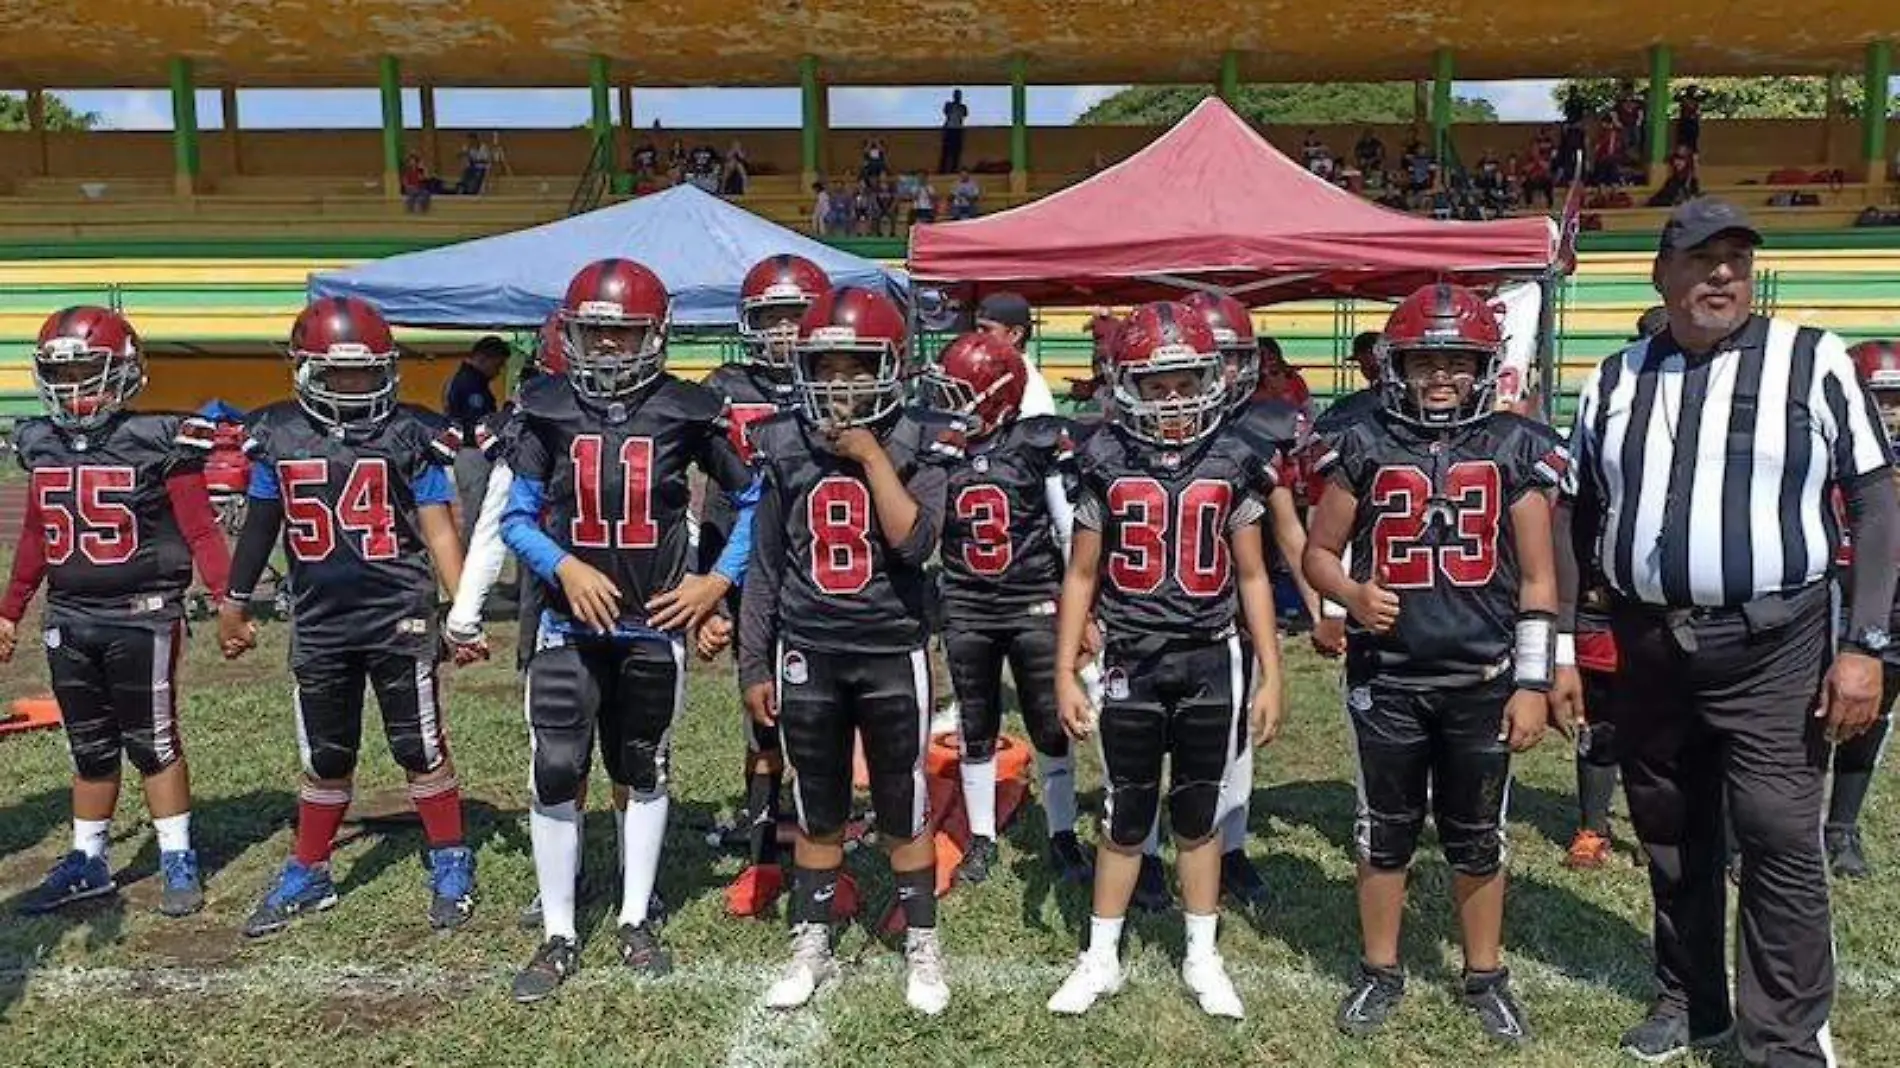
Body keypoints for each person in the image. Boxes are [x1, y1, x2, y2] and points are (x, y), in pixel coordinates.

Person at [1553, 197, 1898, 1066]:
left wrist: (1865, 644)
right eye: (1703, 260)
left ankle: (1782, 1038)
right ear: (1660, 275)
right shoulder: (1615, 377)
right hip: (1650, 644)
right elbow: (1575, 513)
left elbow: (1875, 501)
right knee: (1670, 831)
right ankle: (1692, 999)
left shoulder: (1812, 362)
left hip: (1774, 641)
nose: (1722, 276)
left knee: (1778, 831)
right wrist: (1560, 640)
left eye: (1737, 260)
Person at [1304, 283, 1561, 1047]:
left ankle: (1485, 975)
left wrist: (1535, 681)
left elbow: (1542, 580)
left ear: (1485, 367)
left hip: (1482, 679)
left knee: (1478, 834)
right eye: (1426, 363)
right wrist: (1349, 591)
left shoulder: (1515, 446)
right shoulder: (1363, 440)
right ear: (1397, 367)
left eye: (1457, 362)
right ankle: (1381, 969)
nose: (1441, 377)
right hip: (1387, 677)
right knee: (1383, 831)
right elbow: (1318, 552)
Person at [497, 259, 758, 1002]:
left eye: (622, 335)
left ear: (655, 336)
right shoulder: (545, 406)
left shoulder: (689, 408)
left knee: (641, 763)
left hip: (652, 622)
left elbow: (756, 497)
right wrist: (566, 566)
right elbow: (514, 518)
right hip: (564, 621)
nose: (607, 349)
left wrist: (715, 583)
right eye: (594, 334)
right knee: (556, 764)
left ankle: (636, 916)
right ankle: (559, 930)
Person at [1045, 302, 1284, 1020]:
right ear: (1129, 387)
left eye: (1186, 382)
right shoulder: (1104, 459)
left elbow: (1251, 576)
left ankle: (1202, 955)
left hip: (1211, 656)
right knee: (1124, 810)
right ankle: (1101, 956)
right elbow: (1081, 576)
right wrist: (1062, 668)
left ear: (1212, 380)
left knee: (1199, 809)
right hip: (1132, 656)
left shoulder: (1232, 458)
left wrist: (1271, 669)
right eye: (1159, 385)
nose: (1175, 399)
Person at [739, 287, 964, 1016]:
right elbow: (767, 566)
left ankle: (922, 943)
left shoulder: (920, 439)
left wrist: (869, 454)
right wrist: (752, 662)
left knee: (903, 802)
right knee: (819, 806)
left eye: (855, 367)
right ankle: (811, 938)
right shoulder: (782, 444)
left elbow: (915, 540)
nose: (838, 384)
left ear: (891, 367)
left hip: (891, 648)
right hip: (809, 650)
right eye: (824, 367)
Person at [219, 297, 474, 939]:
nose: (356, 385)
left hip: (398, 614)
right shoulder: (278, 433)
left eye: (367, 372)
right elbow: (260, 527)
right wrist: (235, 600)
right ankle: (310, 869)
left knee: (418, 744)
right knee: (327, 756)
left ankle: (450, 856)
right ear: (305, 369)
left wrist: (463, 609)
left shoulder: (411, 433)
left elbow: (439, 531)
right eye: (341, 374)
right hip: (320, 619)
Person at [1, 307, 230, 919]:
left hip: (143, 612)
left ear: (125, 374)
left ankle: (177, 853)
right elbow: (34, 536)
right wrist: (9, 610)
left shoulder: (159, 439)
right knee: (90, 746)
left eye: (89, 373)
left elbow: (201, 528)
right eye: (62, 373)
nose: (75, 388)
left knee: (153, 741)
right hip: (70, 614)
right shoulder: (41, 442)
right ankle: (89, 859)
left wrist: (227, 597)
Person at [921, 332, 1091, 888]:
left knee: (1049, 721)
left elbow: (1068, 529)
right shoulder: (940, 447)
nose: (948, 400)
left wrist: (1078, 608)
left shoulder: (1038, 440)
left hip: (1032, 600)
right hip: (968, 602)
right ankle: (984, 837)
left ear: (994, 395)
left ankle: (1062, 833)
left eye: (959, 389)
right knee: (976, 722)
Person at [703, 254, 834, 918]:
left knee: (821, 719)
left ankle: (816, 833)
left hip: (823, 577)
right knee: (762, 723)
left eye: (796, 317)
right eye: (773, 319)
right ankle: (763, 849)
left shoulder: (838, 379)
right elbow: (709, 507)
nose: (785, 332)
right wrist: (713, 598)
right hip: (750, 571)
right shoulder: (723, 387)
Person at [1183, 292, 1322, 909]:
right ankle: (1150, 845)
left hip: (1234, 602)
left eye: (1234, 358)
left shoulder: (1261, 430)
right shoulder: (1151, 418)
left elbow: (1290, 530)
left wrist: (1324, 611)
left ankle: (1231, 846)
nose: (1224, 373)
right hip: (1154, 607)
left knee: (1235, 732)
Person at [1565, 305, 1669, 872]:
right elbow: (1576, 511)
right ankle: (1592, 825)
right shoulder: (1606, 418)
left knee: (1684, 723)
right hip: (1606, 603)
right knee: (1601, 716)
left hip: (1685, 609)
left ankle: (1709, 835)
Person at [1825, 338, 1900, 878]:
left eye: (1897, 399)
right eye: (1880, 400)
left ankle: (1841, 825)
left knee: (1870, 718)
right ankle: (1755, 830)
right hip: (1822, 601)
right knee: (1795, 720)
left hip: (1886, 611)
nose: (1889, 412)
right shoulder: (1822, 447)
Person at [444, 336, 510, 547]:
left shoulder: (461, 379)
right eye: (497, 365)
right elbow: (479, 424)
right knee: (476, 514)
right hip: (473, 452)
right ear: (484, 358)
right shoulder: (470, 384)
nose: (498, 372)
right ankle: (467, 564)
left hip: (467, 452)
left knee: (476, 512)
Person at [940, 89, 969, 175]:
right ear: (953, 96)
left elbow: (965, 114)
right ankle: (942, 170)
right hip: (949, 129)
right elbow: (946, 111)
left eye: (959, 95)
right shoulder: (949, 105)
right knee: (946, 151)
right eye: (956, 95)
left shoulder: (963, 106)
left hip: (958, 129)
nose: (957, 97)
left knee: (956, 151)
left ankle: (954, 169)